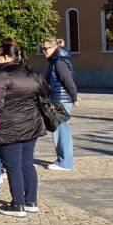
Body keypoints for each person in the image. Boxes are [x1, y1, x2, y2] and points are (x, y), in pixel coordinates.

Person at [0, 43, 47, 217]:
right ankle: (31, 200)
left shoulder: (2, 76)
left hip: (9, 126)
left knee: (13, 166)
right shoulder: (32, 73)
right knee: (27, 163)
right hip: (31, 124)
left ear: (7, 57)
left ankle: (18, 204)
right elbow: (46, 93)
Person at [42, 37, 78, 171]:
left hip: (61, 101)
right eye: (43, 49)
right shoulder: (55, 61)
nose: (44, 51)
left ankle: (65, 163)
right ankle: (62, 160)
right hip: (58, 100)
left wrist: (74, 97)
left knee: (63, 131)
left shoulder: (59, 63)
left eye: (46, 48)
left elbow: (68, 81)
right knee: (58, 131)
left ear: (54, 48)